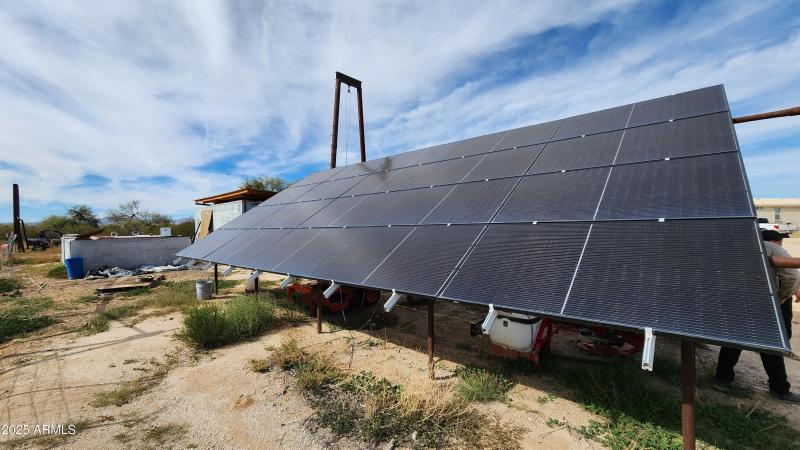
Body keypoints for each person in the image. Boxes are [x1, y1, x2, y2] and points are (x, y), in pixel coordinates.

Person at [714, 230, 800, 402]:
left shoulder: (733, 248)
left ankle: (722, 379)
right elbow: (792, 276)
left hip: (737, 299)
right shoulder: (772, 248)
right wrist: (782, 297)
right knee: (771, 343)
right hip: (764, 301)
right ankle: (779, 388)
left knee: (734, 339)